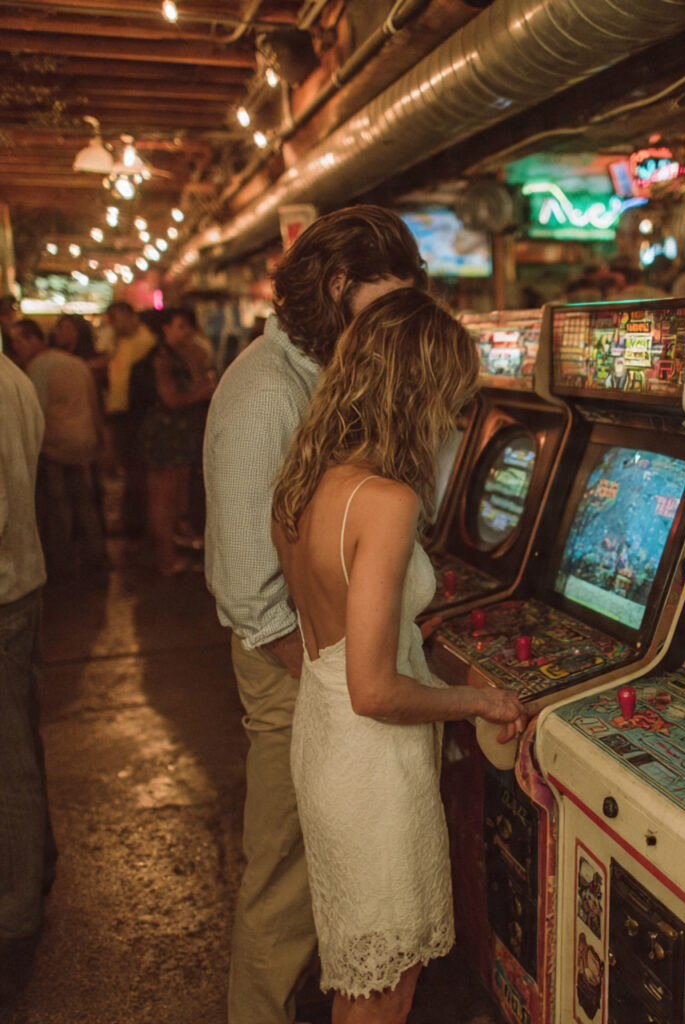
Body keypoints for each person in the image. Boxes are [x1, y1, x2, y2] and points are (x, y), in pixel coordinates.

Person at [271, 287, 527, 1024]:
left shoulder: (304, 477)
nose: (452, 419)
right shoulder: (384, 500)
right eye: (448, 398)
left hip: (323, 742)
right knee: (387, 989)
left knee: (360, 978)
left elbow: (341, 643)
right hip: (370, 764)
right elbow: (374, 690)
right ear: (412, 390)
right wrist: (479, 700)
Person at [203, 204, 428, 1024]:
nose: (387, 332)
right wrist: (342, 683)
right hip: (289, 664)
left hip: (327, 658)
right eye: (382, 308)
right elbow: (248, 589)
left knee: (336, 877)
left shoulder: (323, 377)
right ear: (336, 287)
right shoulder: (265, 393)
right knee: (287, 878)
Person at [0, 345, 53, 992]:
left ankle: (15, 909)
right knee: (21, 739)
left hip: (4, 588)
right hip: (24, 581)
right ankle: (35, 863)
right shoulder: (16, 378)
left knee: (8, 761)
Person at [8, 317, 107, 580]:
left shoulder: (39, 367)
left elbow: (35, 411)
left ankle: (60, 566)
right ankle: (97, 560)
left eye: (19, 340)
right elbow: (94, 403)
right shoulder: (74, 362)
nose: (15, 346)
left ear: (34, 339)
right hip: (83, 441)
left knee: (58, 507)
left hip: (56, 445)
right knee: (85, 503)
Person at [139, 307, 216, 575]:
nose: (187, 332)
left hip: (175, 434)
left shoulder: (176, 355)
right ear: (166, 329)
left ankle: (168, 554)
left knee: (172, 495)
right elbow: (170, 399)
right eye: (180, 327)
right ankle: (166, 559)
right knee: (164, 498)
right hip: (166, 435)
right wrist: (202, 393)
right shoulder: (162, 358)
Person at [103, 300, 157, 536]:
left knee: (136, 469)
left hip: (134, 415)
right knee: (129, 467)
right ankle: (132, 520)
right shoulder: (122, 342)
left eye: (114, 319)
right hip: (120, 413)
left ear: (127, 315)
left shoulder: (145, 342)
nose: (112, 325)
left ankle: (136, 524)